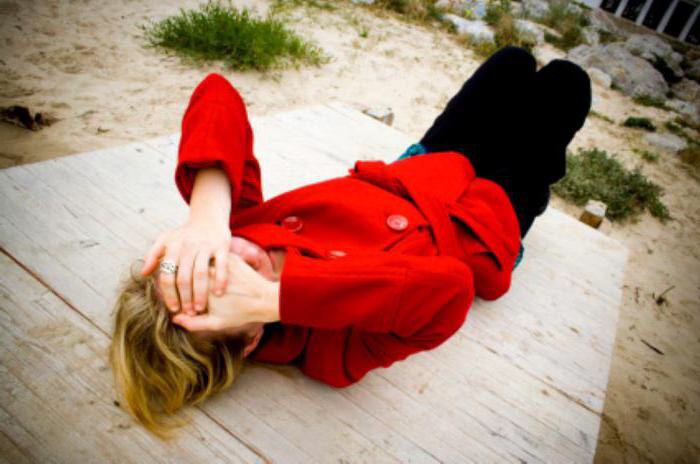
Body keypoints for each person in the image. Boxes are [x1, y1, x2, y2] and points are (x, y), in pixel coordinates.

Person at [109, 46, 591, 437]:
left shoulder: (239, 229)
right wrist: (281, 297)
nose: (234, 257)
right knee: (566, 82)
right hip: (486, 216)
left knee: (512, 62)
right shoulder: (332, 355)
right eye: (232, 285)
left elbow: (217, 93)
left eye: (206, 263)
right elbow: (450, 289)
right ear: (252, 338)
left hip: (419, 168)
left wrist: (205, 216)